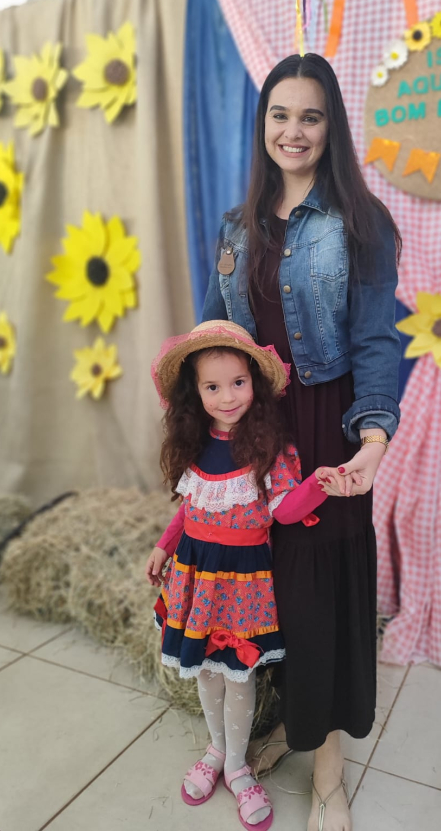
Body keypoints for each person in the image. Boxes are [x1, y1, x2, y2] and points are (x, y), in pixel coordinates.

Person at [201, 53, 402, 831]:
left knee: (323, 598)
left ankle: (326, 774)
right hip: (255, 432)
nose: (293, 131)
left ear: (331, 126)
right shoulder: (234, 227)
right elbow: (213, 340)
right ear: (263, 125)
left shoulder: (361, 223)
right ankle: (289, 723)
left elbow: (377, 340)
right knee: (265, 596)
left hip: (328, 433)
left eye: (310, 116)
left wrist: (373, 440)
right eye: (279, 115)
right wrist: (205, 447)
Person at [146, 320, 334, 831]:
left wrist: (318, 485)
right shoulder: (195, 442)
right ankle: (215, 747)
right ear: (195, 392)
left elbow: (284, 510)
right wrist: (164, 545)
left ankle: (235, 765)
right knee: (207, 669)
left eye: (237, 383)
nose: (227, 397)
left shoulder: (270, 445)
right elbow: (190, 507)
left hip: (242, 583)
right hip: (194, 574)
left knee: (238, 671)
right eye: (212, 387)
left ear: (255, 382)